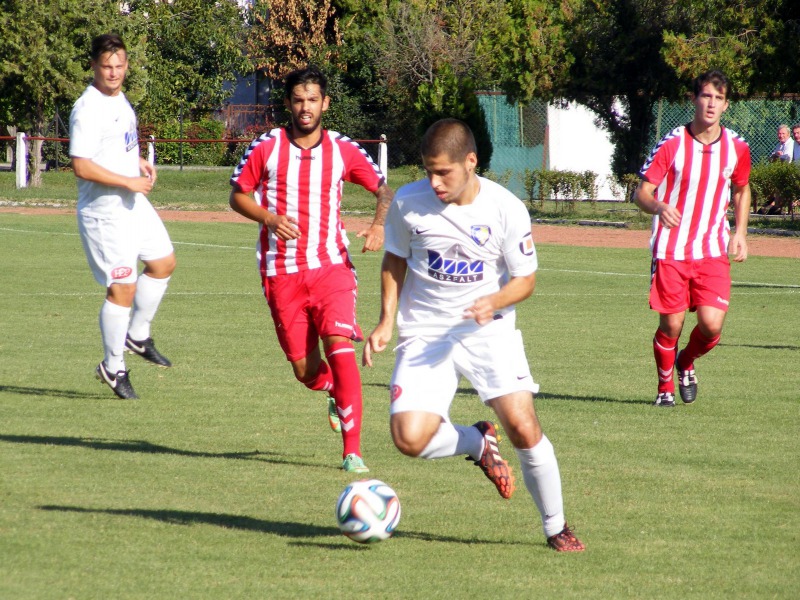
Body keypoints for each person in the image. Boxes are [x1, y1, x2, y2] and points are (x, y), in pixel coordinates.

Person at [362, 118, 585, 552]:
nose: (434, 181)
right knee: (409, 439)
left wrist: (495, 302)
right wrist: (386, 320)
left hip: (487, 332)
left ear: (470, 162)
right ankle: (476, 441)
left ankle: (555, 527)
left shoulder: (506, 208)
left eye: (443, 171)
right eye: (428, 170)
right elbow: (394, 261)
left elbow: (526, 281)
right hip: (426, 334)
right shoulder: (409, 203)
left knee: (522, 426)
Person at [229, 65, 394, 474]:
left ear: (325, 103)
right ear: (288, 103)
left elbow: (384, 189)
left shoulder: (342, 149)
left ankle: (351, 452)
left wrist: (378, 224)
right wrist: (268, 219)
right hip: (280, 271)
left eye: (313, 100)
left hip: (330, 265)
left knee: (340, 346)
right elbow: (238, 196)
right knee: (305, 370)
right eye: (298, 100)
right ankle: (331, 392)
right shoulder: (267, 146)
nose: (305, 108)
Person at [634, 70, 751, 407]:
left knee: (712, 326)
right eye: (705, 96)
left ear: (726, 105)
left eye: (718, 98)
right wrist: (658, 206)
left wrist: (740, 232)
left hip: (712, 249)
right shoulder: (672, 143)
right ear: (693, 99)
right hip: (671, 249)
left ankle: (686, 362)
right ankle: (665, 389)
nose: (711, 103)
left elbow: (742, 189)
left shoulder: (737, 148)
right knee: (671, 325)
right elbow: (641, 192)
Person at [70, 33, 177, 400]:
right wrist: (128, 180)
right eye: (106, 67)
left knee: (163, 262)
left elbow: (115, 147)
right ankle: (113, 366)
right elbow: (81, 166)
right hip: (104, 213)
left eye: (119, 66)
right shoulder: (87, 108)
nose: (113, 73)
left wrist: (138, 163)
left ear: (126, 65)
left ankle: (138, 334)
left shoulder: (119, 99)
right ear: (93, 67)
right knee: (121, 289)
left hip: (131, 204)